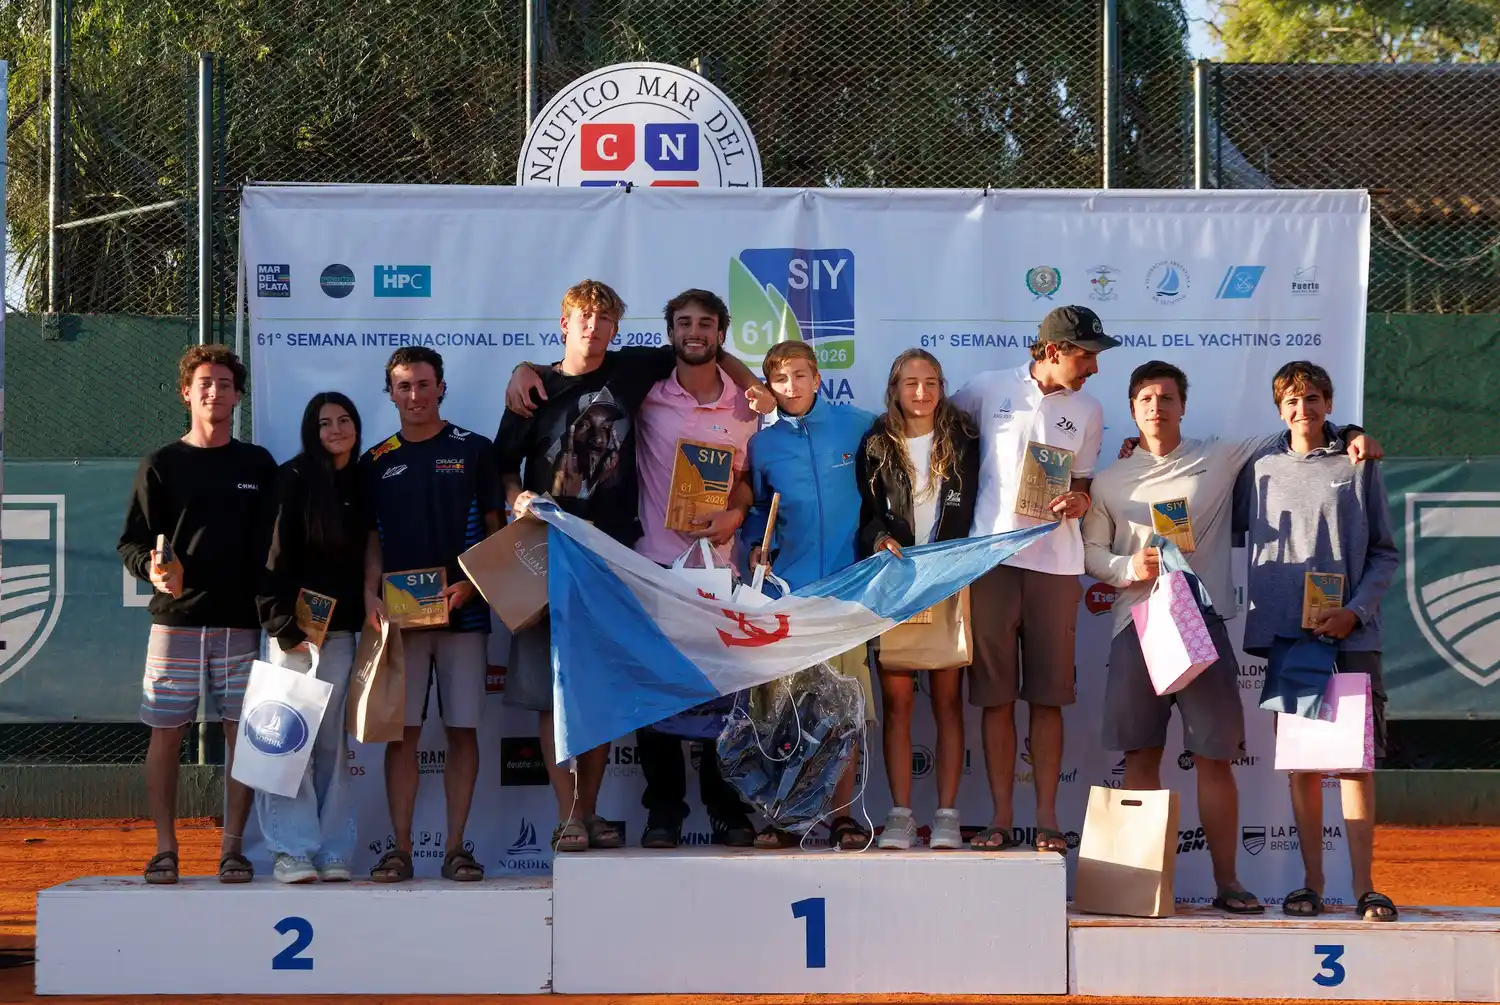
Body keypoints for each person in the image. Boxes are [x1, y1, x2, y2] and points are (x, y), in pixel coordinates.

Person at [1084, 359, 1379, 914]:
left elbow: (1297, 428)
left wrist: (1354, 433)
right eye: (1145, 398)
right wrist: (1129, 567)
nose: (1156, 406)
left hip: (1205, 622)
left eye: (1167, 397)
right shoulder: (1108, 479)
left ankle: (1229, 883)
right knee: (1140, 756)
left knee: (1214, 757)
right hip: (1137, 627)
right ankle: (1140, 885)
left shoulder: (1218, 456)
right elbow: (1091, 552)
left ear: (1183, 406)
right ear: (1132, 409)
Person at [499, 280, 772, 853]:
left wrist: (757, 386)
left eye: (604, 319)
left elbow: (713, 367)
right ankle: (641, 812)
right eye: (584, 318)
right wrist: (516, 493)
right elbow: (501, 464)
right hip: (603, 560)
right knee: (628, 692)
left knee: (709, 693)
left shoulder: (648, 376)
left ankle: (721, 809)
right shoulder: (550, 387)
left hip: (658, 562)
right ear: (564, 323)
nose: (594, 328)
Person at [1235, 361, 1398, 922]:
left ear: (1328, 404)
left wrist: (1354, 613)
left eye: (1311, 399)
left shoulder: (1358, 463)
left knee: (1353, 766)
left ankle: (1365, 889)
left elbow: (1384, 552)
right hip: (1289, 637)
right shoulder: (1258, 469)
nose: (1301, 409)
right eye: (1291, 401)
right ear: (1279, 409)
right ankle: (1309, 886)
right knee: (1304, 768)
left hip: (1351, 638)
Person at [950, 306, 1114, 853]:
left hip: (1057, 565)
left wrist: (1080, 499)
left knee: (1048, 698)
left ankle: (1045, 818)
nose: (1093, 366)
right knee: (996, 698)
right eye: (1084, 355)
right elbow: (931, 438)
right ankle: (1000, 817)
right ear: (1051, 350)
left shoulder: (1089, 409)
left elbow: (1086, 482)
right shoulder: (985, 388)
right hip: (991, 562)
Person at [117, 344, 277, 885]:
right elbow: (133, 545)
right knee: (166, 733)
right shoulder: (160, 465)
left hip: (242, 624)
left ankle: (233, 849)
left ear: (238, 395)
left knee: (242, 736)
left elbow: (273, 548)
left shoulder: (257, 465)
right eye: (205, 383)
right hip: (175, 623)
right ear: (187, 392)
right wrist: (153, 570)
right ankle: (166, 848)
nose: (215, 392)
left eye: (225, 384)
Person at [362, 347, 504, 883]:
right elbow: (372, 538)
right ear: (391, 393)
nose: (415, 395)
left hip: (464, 616)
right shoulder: (375, 460)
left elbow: (496, 533)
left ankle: (455, 848)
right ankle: (400, 849)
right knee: (404, 734)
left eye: (424, 384)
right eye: (404, 386)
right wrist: (371, 595)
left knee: (463, 729)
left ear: (441, 387)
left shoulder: (474, 450)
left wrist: (471, 587)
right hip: (400, 619)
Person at [631, 290, 766, 849]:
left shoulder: (747, 406)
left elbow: (748, 476)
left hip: (719, 570)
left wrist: (735, 512)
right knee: (656, 693)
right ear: (670, 331)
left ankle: (726, 807)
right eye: (683, 322)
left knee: (724, 695)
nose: (694, 332)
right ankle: (663, 810)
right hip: (654, 563)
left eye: (705, 324)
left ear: (720, 333)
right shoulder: (645, 396)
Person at [741, 340, 880, 851]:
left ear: (818, 378)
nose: (793, 387)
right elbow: (755, 509)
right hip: (789, 597)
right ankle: (786, 815)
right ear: (770, 387)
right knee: (786, 713)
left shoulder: (858, 424)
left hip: (850, 591)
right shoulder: (763, 444)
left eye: (801, 376)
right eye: (781, 380)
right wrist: (757, 546)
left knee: (845, 709)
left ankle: (843, 816)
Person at [855, 349, 980, 850]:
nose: (922, 393)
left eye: (931, 382)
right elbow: (867, 513)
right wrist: (880, 539)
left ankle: (947, 816)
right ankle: (901, 816)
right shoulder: (876, 441)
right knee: (898, 703)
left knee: (950, 702)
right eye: (911, 383)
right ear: (895, 387)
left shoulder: (964, 438)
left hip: (949, 577)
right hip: (897, 581)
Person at [254, 391, 366, 883]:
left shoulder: (362, 483)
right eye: (326, 422)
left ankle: (334, 850)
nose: (337, 429)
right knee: (285, 742)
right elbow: (271, 555)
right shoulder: (292, 478)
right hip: (291, 635)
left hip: (340, 633)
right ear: (311, 430)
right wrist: (281, 626)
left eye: (345, 420)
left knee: (332, 747)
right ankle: (290, 851)